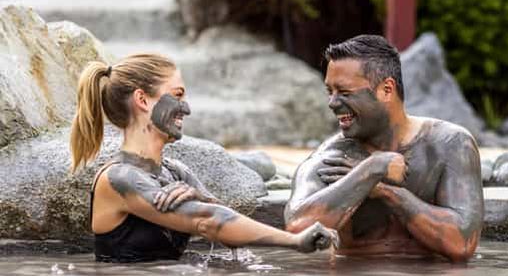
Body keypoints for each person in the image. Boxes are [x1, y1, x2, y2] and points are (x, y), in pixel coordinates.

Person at [70, 53, 338, 263]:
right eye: (177, 95)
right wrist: (295, 241)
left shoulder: (175, 172)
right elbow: (208, 221)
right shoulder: (118, 179)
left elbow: (227, 233)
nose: (186, 108)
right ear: (143, 100)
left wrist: (201, 197)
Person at [285, 35, 484, 262]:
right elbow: (296, 229)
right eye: (329, 91)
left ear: (386, 90)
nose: (332, 103)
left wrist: (387, 192)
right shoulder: (332, 158)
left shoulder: (450, 145)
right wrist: (372, 168)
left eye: (345, 92)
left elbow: (462, 244)